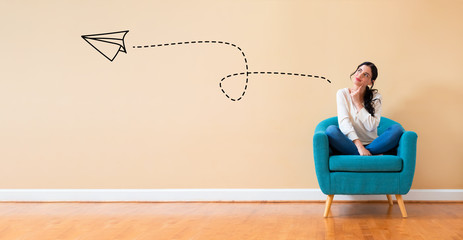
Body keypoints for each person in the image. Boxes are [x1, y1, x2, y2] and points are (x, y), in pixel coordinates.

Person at [325, 62, 403, 156]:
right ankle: (367, 153)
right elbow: (344, 123)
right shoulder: (342, 93)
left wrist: (357, 103)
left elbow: (371, 126)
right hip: (351, 144)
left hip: (374, 144)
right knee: (331, 130)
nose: (360, 75)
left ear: (371, 82)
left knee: (397, 129)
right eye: (359, 70)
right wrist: (360, 147)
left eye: (366, 75)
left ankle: (364, 153)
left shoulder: (376, 97)